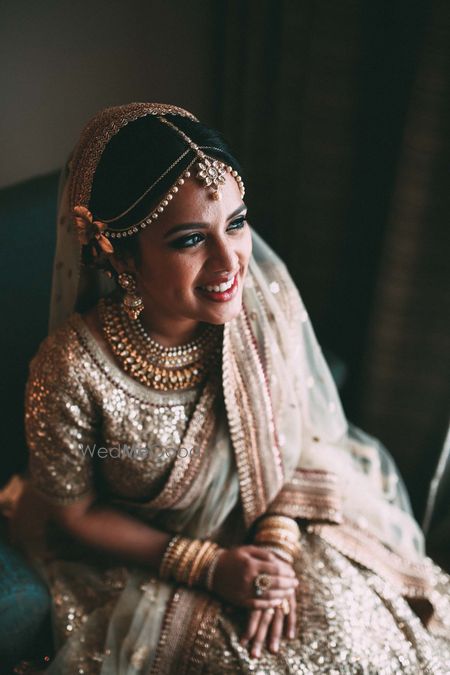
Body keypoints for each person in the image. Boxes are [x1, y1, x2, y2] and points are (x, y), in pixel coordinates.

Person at [15, 102, 450, 674]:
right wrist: (208, 567)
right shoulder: (72, 369)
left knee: (369, 639)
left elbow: (305, 440)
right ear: (118, 254)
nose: (230, 262)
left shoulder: (259, 307)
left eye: (237, 223)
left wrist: (276, 547)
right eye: (191, 239)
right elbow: (72, 516)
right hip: (150, 562)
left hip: (279, 523)